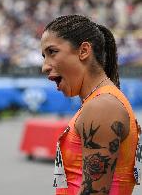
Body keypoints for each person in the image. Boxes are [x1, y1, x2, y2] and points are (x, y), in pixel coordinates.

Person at [41, 14, 141, 194]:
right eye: (44, 56)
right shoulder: (100, 102)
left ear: (84, 51)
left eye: (52, 52)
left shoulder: (102, 107)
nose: (45, 66)